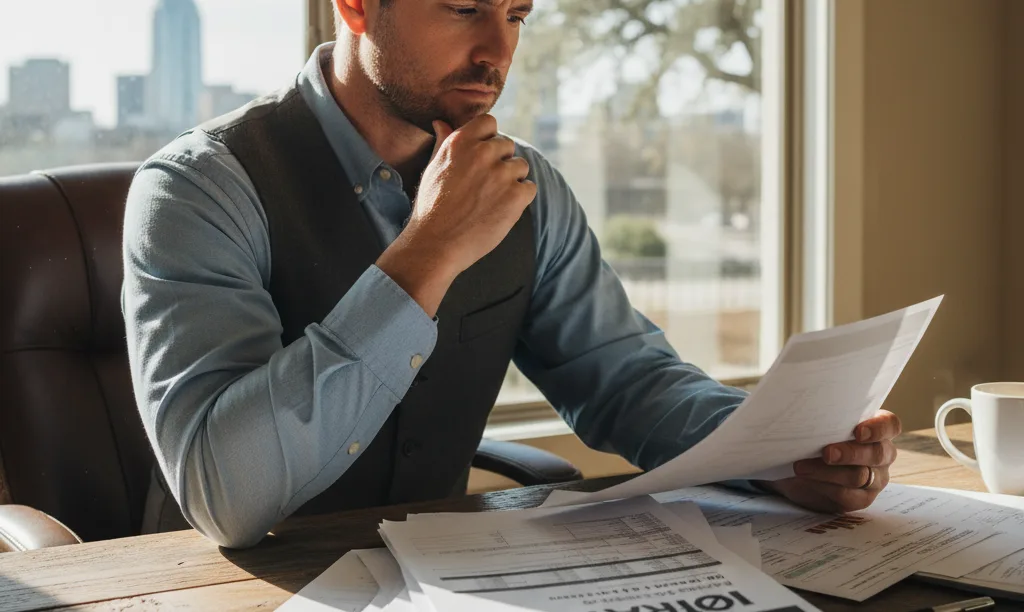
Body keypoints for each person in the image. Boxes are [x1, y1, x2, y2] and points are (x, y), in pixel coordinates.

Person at [123, 0, 901, 549]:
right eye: (465, 9)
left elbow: (628, 380)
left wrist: (781, 455)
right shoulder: (196, 190)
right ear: (357, 5)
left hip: (444, 574)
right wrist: (428, 253)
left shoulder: (527, 187)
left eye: (517, 14)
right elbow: (224, 498)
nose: (497, 50)